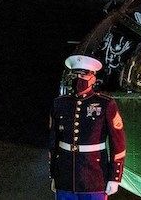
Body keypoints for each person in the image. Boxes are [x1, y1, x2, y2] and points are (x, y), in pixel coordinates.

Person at [49, 54, 126, 199]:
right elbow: (53, 141)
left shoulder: (106, 104)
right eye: (76, 74)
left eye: (84, 74)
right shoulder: (60, 103)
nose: (79, 78)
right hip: (65, 176)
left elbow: (118, 143)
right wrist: (53, 173)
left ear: (93, 78)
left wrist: (115, 177)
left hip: (94, 177)